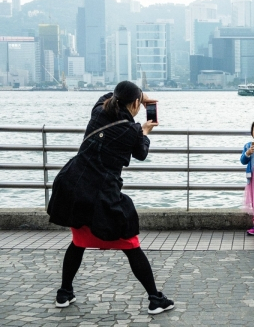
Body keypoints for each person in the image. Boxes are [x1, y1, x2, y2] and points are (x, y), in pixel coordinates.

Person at [47, 81, 175, 315]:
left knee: (78, 242)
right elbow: (141, 153)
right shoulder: (132, 130)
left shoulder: (99, 111)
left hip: (75, 186)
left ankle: (64, 293)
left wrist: (140, 96)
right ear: (135, 103)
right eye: (138, 102)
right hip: (102, 195)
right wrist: (145, 131)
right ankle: (155, 299)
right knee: (131, 245)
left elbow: (109, 94)